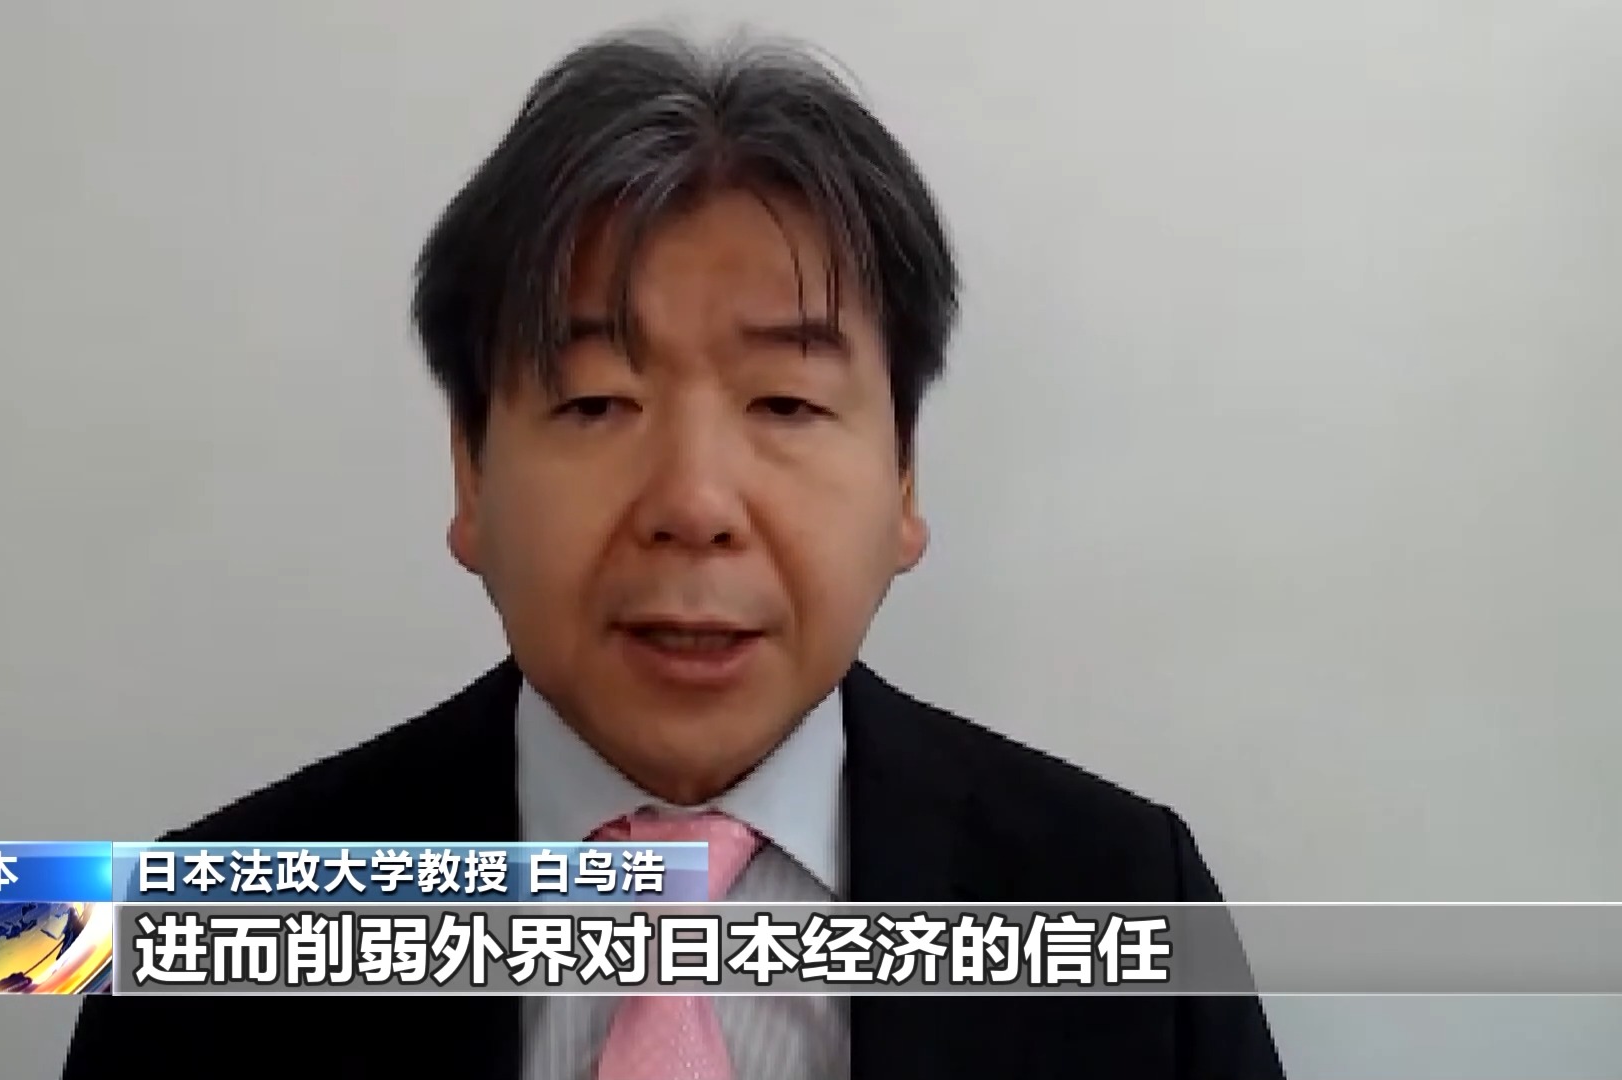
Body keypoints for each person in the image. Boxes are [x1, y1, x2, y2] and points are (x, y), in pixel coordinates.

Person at [62, 26, 1284, 1080]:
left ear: (905, 477)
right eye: (597, 402)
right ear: (471, 474)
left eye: (786, 403)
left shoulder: (1124, 898)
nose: (694, 503)